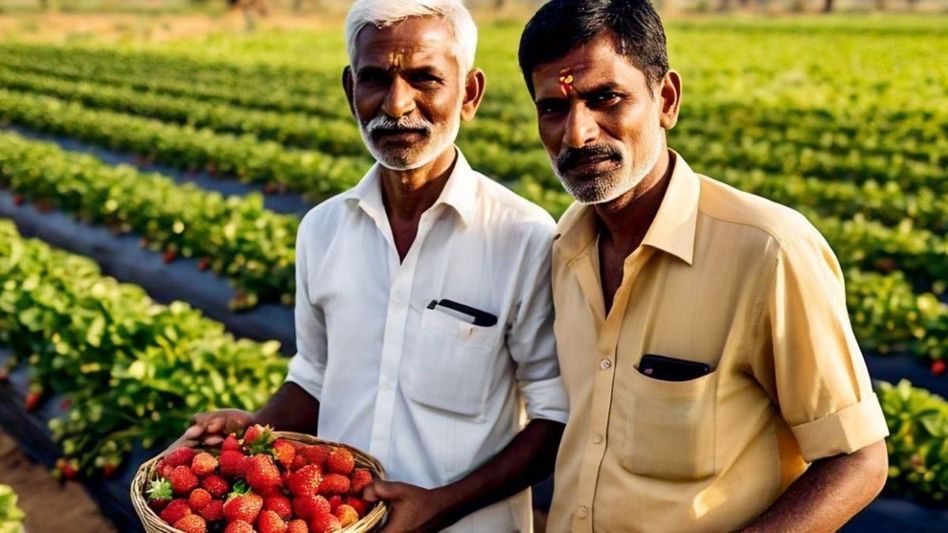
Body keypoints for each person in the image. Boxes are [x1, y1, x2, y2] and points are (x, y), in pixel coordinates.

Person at [181, 1, 568, 531]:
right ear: (350, 90)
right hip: (338, 521)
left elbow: (554, 414)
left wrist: (440, 504)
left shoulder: (523, 237)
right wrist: (257, 430)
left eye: (425, 78)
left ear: (469, 93)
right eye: (375, 78)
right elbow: (316, 376)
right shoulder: (322, 230)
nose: (397, 103)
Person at [516, 1, 890, 531]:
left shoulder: (768, 251)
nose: (577, 133)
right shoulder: (561, 250)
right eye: (553, 107)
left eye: (606, 98)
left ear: (665, 99)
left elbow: (857, 460)